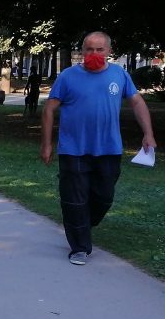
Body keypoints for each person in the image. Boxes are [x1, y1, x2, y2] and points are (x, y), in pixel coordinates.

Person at [41, 31, 157, 266]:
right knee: (74, 200)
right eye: (89, 49)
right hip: (73, 149)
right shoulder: (68, 76)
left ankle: (80, 223)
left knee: (104, 197)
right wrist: (46, 143)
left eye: (99, 49)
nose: (93, 54)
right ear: (82, 51)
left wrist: (148, 133)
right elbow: (49, 109)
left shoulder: (119, 74)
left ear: (109, 52)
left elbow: (136, 102)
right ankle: (79, 247)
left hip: (109, 149)